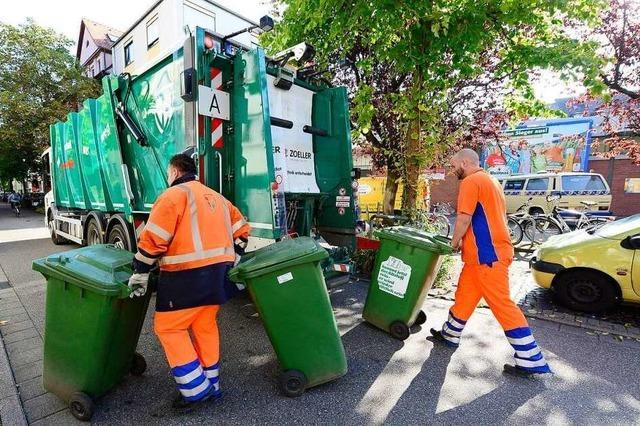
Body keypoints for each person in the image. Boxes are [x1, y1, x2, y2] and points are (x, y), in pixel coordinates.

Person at [128, 154, 250, 409]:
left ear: (174, 171)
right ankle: (212, 385)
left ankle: (196, 390)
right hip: (218, 278)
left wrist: (140, 270)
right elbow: (242, 229)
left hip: (186, 278)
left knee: (168, 328)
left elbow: (155, 239)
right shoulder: (216, 197)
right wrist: (235, 256)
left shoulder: (173, 196)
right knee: (204, 326)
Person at [430, 149, 551, 377]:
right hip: (483, 256)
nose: (451, 169)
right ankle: (450, 334)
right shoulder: (490, 180)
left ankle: (531, 359)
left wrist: (454, 243)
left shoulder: (471, 181)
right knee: (465, 295)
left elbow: (464, 218)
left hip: (488, 256)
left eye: (454, 164)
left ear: (465, 163)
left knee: (502, 304)